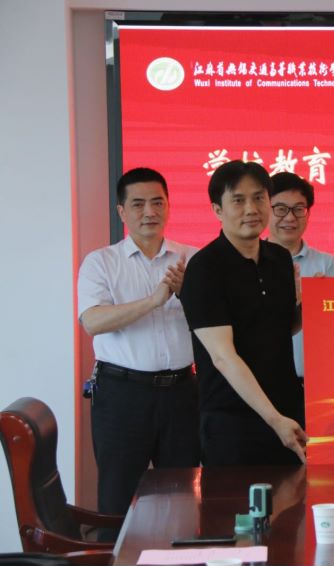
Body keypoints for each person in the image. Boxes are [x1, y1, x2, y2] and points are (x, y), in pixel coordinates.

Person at [77, 167, 199, 522]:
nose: (150, 212)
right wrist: (154, 300)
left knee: (183, 496)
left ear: (169, 206)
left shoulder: (192, 259)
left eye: (158, 202)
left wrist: (188, 294)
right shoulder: (101, 262)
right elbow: (93, 321)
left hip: (182, 392)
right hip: (122, 394)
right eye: (138, 204)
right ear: (122, 211)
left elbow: (216, 323)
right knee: (118, 498)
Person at [180, 160, 308, 466]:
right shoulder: (204, 268)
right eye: (238, 200)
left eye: (259, 197)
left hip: (288, 414)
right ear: (218, 210)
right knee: (236, 499)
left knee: (293, 497)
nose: (251, 209)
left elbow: (282, 328)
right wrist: (273, 419)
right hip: (232, 422)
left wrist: (309, 304)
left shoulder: (280, 258)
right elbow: (223, 356)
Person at [268, 172, 334, 381]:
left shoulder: (326, 264)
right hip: (263, 382)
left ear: (308, 214)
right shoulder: (248, 262)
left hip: (314, 380)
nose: (290, 218)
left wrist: (319, 303)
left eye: (299, 209)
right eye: (281, 209)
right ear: (265, 210)